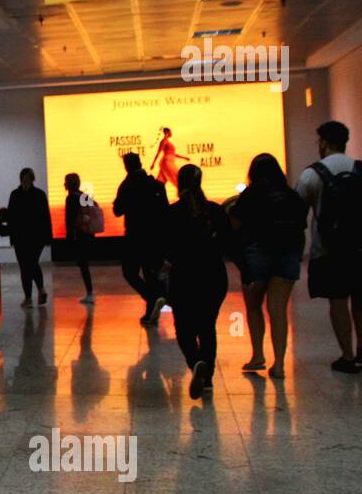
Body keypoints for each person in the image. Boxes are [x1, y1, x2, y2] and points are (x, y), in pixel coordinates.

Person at [294, 121, 362, 374]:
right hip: (361, 247)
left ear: (324, 143)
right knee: (360, 293)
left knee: (337, 299)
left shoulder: (311, 174)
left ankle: (346, 356)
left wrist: (298, 249)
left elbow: (297, 215)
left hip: (327, 250)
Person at [229, 153, 308, 379]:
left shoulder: (251, 194)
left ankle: (257, 357)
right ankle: (280, 364)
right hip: (288, 255)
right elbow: (300, 228)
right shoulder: (292, 196)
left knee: (254, 306)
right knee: (278, 310)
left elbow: (234, 224)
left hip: (258, 255)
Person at [163, 164, 231, 399]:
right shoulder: (214, 211)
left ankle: (196, 363)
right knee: (207, 326)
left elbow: (165, 249)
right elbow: (228, 243)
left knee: (184, 329)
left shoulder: (171, 214)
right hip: (214, 276)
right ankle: (208, 378)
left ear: (178, 184)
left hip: (184, 277)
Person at [113, 152, 169, 324]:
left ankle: (152, 298)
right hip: (154, 236)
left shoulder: (126, 185)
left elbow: (117, 211)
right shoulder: (155, 184)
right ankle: (152, 309)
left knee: (129, 272)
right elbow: (165, 211)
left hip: (134, 236)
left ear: (126, 166)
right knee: (150, 272)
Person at [4, 167, 53, 308]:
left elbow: (11, 216)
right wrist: (48, 237)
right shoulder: (38, 194)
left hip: (26, 237)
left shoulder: (16, 194)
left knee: (27, 265)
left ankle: (30, 297)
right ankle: (38, 291)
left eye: (28, 179)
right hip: (31, 237)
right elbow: (45, 217)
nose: (26, 181)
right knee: (30, 264)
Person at [63, 172, 97, 304]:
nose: (64, 184)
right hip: (87, 234)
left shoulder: (71, 197)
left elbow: (69, 220)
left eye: (66, 181)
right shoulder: (83, 195)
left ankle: (90, 292)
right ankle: (89, 292)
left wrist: (69, 237)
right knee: (84, 264)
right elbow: (95, 206)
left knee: (83, 264)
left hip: (78, 236)